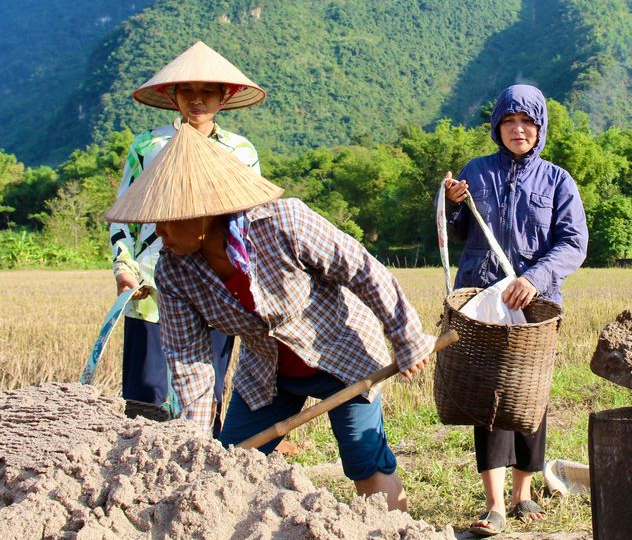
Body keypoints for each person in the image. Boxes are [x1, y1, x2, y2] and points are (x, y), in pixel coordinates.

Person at [105, 122, 433, 511]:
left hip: (344, 355)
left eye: (167, 219)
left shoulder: (283, 223)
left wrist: (406, 337)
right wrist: (195, 448)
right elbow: (190, 364)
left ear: (205, 212)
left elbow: (364, 270)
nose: (158, 233)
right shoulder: (175, 273)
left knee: (366, 464)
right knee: (229, 461)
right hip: (266, 372)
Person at [443, 84, 588, 536]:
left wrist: (535, 278)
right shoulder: (476, 172)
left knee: (530, 397)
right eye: (509, 122)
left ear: (540, 129)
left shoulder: (558, 180)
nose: (518, 129)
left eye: (527, 122)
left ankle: (523, 494)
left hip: (535, 302)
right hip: (482, 300)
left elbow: (573, 243)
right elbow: (455, 230)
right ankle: (494, 504)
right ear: (497, 127)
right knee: (490, 396)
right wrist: (450, 205)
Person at [109, 40, 264, 430]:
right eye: (187, 92)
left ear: (224, 96)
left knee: (205, 393)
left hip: (218, 287)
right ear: (172, 95)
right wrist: (123, 268)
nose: (197, 101)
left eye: (207, 92)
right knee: (145, 396)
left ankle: (202, 474)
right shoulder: (148, 147)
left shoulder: (240, 151)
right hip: (151, 286)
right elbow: (123, 217)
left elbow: (254, 223)